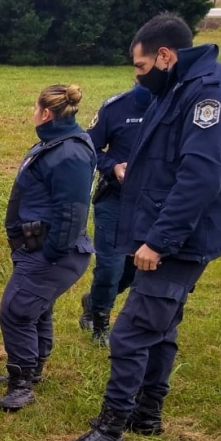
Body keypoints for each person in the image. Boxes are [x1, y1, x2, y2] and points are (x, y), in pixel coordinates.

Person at [59, 13, 221, 441]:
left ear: (164, 55)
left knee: (132, 332)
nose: (138, 76)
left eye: (140, 67)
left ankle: (111, 429)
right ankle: (146, 414)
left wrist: (159, 240)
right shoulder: (180, 85)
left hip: (179, 240)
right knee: (162, 327)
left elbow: (200, 178)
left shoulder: (207, 95)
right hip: (169, 232)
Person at [0, 85, 95, 412]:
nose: (32, 113)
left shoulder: (69, 153)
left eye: (34, 107)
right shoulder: (56, 144)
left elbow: (72, 211)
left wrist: (51, 254)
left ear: (46, 113)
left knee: (17, 310)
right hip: (38, 249)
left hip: (51, 253)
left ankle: (21, 383)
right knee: (36, 308)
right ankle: (33, 367)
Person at [76, 83, 152, 346]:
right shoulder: (116, 107)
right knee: (110, 267)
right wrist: (113, 166)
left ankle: (93, 301)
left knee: (132, 271)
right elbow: (90, 148)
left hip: (151, 206)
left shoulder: (174, 105)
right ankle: (100, 324)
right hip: (114, 200)